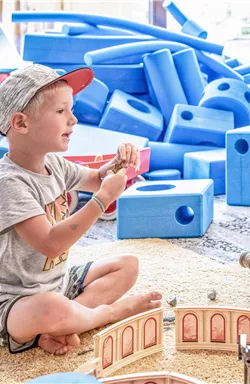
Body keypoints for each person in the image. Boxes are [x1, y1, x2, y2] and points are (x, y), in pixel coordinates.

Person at [0, 64, 162, 355]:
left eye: (71, 110)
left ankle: (65, 324)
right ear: (21, 124)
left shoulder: (55, 164)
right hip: (16, 301)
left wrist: (118, 163)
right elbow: (50, 244)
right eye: (61, 111)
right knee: (50, 308)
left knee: (128, 264)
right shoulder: (9, 183)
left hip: (58, 282)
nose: (73, 119)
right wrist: (101, 202)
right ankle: (105, 314)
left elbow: (95, 179)